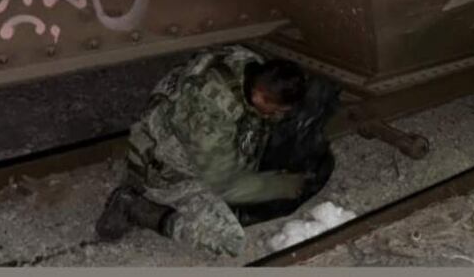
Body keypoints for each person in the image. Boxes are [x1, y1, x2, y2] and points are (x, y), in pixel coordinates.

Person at [94, 44, 340, 256]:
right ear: (260, 97)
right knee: (228, 239)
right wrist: (284, 185)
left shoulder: (247, 63)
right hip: (169, 173)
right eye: (276, 111)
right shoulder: (210, 115)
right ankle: (135, 207)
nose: (277, 117)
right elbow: (226, 184)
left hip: (180, 139)